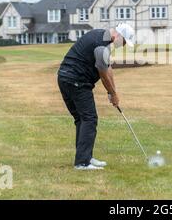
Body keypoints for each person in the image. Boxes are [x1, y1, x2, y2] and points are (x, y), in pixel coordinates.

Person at [57, 23, 135, 170]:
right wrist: (112, 93)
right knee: (89, 118)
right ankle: (82, 163)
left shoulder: (101, 37)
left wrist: (114, 92)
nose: (123, 45)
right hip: (76, 81)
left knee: (82, 119)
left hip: (66, 79)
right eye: (124, 42)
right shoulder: (101, 46)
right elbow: (103, 74)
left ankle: (85, 157)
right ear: (118, 36)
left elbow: (108, 68)